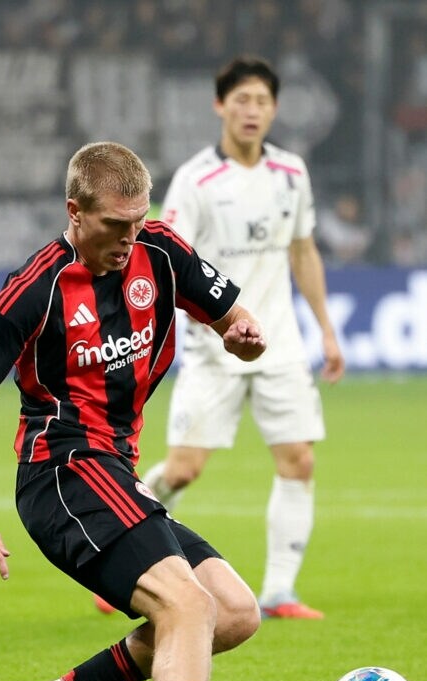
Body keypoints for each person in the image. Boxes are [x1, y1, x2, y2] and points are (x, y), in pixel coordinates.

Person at [0, 140, 291, 681]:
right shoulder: (35, 287)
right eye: (114, 225)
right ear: (75, 212)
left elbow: (239, 323)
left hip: (115, 473)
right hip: (62, 473)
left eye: (138, 221)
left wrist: (242, 338)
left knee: (233, 614)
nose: (130, 237)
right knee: (187, 603)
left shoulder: (161, 250)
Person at [142, 55, 345, 620]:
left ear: (275, 109)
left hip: (279, 344)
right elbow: (170, 259)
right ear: (220, 106)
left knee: (298, 460)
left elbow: (303, 250)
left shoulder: (291, 173)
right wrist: (203, 325)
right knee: (184, 469)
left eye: (262, 101)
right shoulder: (196, 180)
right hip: (214, 346)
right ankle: (132, 527)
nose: (252, 111)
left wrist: (326, 330)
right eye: (242, 100)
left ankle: (279, 591)